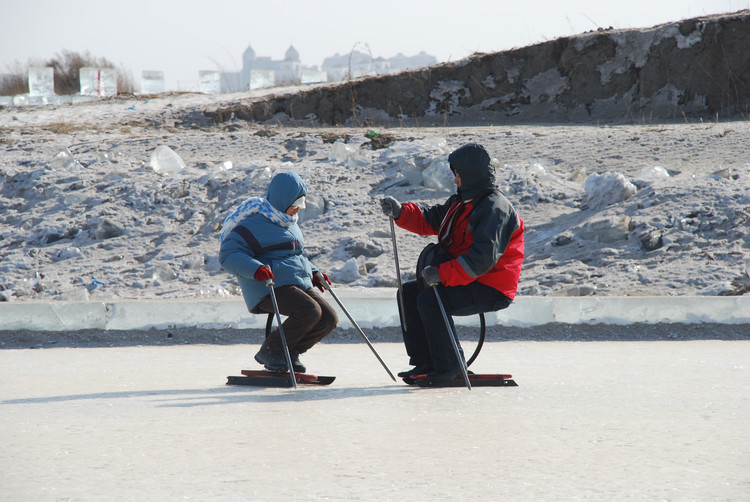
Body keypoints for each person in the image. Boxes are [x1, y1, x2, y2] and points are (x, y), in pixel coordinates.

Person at [380, 143, 524, 381]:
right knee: (408, 293)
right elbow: (430, 219)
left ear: (470, 175)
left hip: (491, 286)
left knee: (431, 300)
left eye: (457, 175)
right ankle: (426, 362)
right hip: (465, 279)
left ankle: (450, 367)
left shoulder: (494, 209)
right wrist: (400, 212)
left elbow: (481, 260)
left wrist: (442, 274)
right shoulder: (461, 203)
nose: (455, 181)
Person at [219, 171, 338, 373]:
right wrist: (255, 268)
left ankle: (289, 352)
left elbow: (296, 256)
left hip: (295, 283)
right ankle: (271, 350)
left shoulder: (289, 223)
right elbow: (228, 255)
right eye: (296, 203)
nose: (298, 208)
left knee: (328, 318)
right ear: (283, 200)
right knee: (309, 310)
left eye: (301, 203)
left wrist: (314, 273)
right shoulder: (252, 225)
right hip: (267, 286)